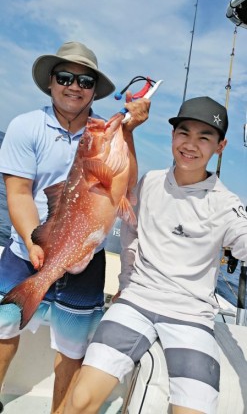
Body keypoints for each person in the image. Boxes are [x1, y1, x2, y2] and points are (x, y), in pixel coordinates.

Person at [64, 96, 247, 414]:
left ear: (220, 146)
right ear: (173, 136)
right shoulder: (148, 183)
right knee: (79, 401)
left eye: (205, 137)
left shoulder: (227, 206)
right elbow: (130, 236)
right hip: (137, 302)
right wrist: (125, 284)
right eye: (184, 133)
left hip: (192, 318)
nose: (191, 144)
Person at [0, 41, 150, 414]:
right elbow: (18, 193)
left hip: (87, 254)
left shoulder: (107, 134)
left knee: (72, 350)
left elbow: (125, 188)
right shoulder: (25, 126)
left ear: (93, 89)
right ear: (51, 82)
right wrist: (35, 244)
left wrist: (128, 131)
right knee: (2, 333)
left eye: (84, 80)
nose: (74, 85)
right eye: (65, 77)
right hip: (26, 249)